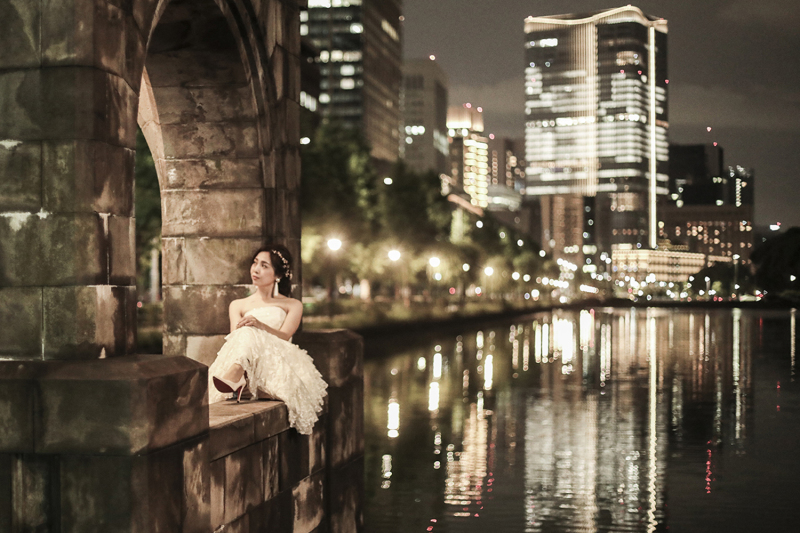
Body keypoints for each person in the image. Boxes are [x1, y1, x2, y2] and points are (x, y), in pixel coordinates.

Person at [207, 245, 327, 435]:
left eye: (264, 266)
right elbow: (235, 338)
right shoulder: (237, 304)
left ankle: (238, 377)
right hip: (247, 354)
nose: (256, 269)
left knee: (250, 328)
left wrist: (260, 325)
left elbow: (285, 335)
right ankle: (240, 373)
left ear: (277, 275)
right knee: (244, 331)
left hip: (278, 356)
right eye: (255, 263)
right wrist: (252, 327)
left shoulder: (292, 304)